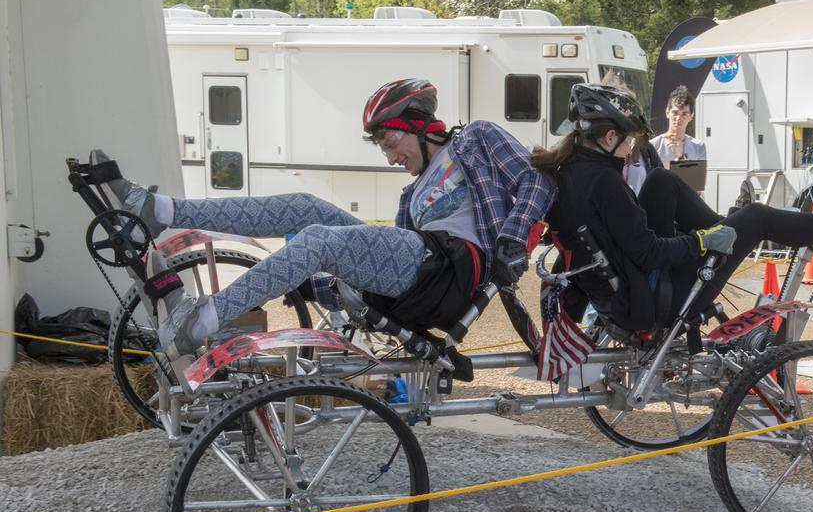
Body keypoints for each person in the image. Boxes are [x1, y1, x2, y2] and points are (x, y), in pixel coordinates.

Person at [99, 78, 553, 357]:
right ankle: (158, 210)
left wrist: (513, 241)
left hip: (457, 269)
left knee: (318, 237)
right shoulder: (411, 195)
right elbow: (380, 274)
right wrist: (301, 276)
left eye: (391, 142)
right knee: (304, 207)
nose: (390, 155)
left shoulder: (476, 139)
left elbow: (538, 183)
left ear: (418, 123)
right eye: (382, 148)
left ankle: (198, 323)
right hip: (421, 271)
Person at [533, 84, 813, 332]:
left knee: (662, 182)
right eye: (629, 140)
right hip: (650, 303)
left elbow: (632, 239)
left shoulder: (572, 171)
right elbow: (647, 253)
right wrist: (701, 242)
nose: (633, 149)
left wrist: (711, 235)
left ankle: (755, 229)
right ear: (609, 137)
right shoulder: (605, 182)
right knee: (757, 217)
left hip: (620, 291)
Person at [650, 85, 706, 167]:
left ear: (691, 116)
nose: (678, 118)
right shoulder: (653, 146)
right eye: (675, 113)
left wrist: (681, 157)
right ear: (667, 112)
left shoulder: (698, 147)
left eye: (684, 114)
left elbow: (698, 178)